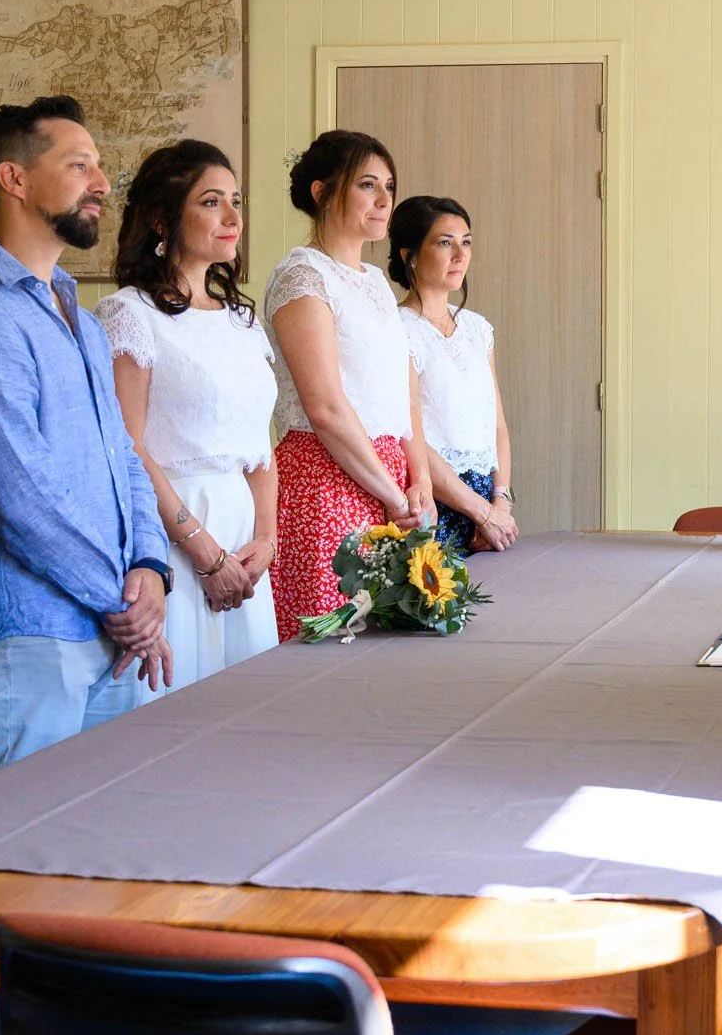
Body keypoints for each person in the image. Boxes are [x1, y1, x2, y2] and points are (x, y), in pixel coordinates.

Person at [0, 94, 172, 783]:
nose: (101, 184)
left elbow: (125, 460)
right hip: (25, 639)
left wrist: (151, 567)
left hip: (107, 634)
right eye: (79, 163)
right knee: (12, 874)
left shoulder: (80, 321)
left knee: (100, 858)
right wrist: (126, 603)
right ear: (15, 179)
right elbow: (19, 498)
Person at [96, 140, 278, 686]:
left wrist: (265, 540)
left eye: (236, 202)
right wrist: (202, 551)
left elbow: (260, 449)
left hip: (243, 541)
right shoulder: (130, 315)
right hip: (173, 534)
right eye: (211, 202)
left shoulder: (242, 321)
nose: (231, 218)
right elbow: (127, 447)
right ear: (161, 219)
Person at [262, 130, 434, 641]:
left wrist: (418, 478)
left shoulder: (377, 282)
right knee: (327, 650)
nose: (384, 200)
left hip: (392, 486)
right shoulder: (302, 276)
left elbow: (403, 392)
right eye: (367, 185)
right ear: (321, 192)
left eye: (389, 186)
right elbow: (326, 407)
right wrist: (395, 497)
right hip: (327, 481)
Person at [389, 195, 518, 555]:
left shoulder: (478, 329)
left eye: (466, 242)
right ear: (409, 254)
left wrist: (500, 504)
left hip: (488, 503)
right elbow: (406, 431)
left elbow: (498, 426)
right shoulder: (395, 329)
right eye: (445, 243)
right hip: (432, 499)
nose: (460, 255)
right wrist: (480, 512)